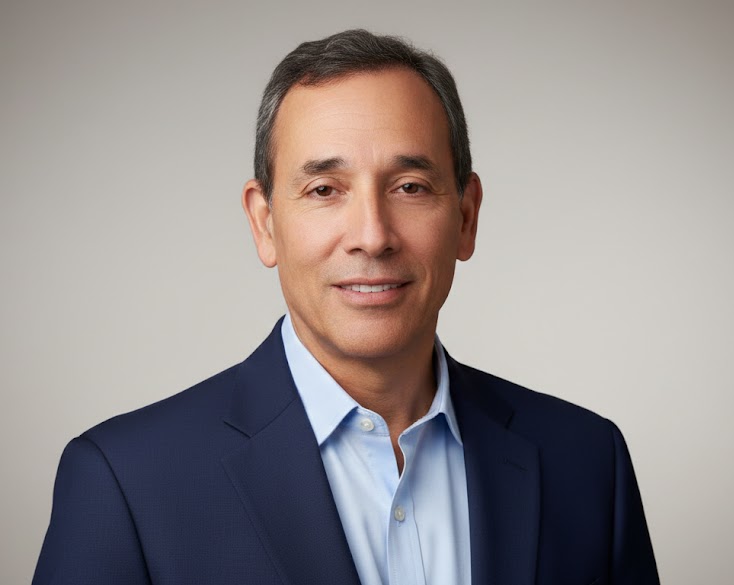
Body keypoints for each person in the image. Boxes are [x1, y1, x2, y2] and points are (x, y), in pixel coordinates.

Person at [32, 29, 659, 585]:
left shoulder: (586, 461)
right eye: (324, 190)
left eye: (410, 187)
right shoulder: (126, 482)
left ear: (466, 216)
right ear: (265, 223)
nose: (373, 234)